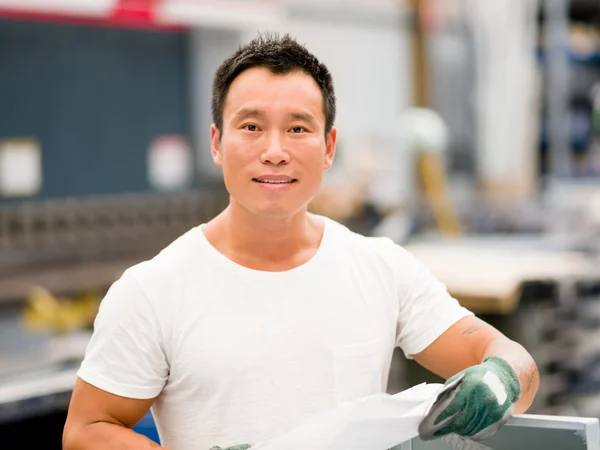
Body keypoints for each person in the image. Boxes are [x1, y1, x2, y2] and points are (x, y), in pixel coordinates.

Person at [62, 33, 539, 450]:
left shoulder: (381, 268)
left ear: (329, 147)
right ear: (216, 143)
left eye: (298, 128)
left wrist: (500, 378)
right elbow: (86, 431)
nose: (274, 151)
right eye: (251, 127)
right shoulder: (154, 289)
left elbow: (514, 361)